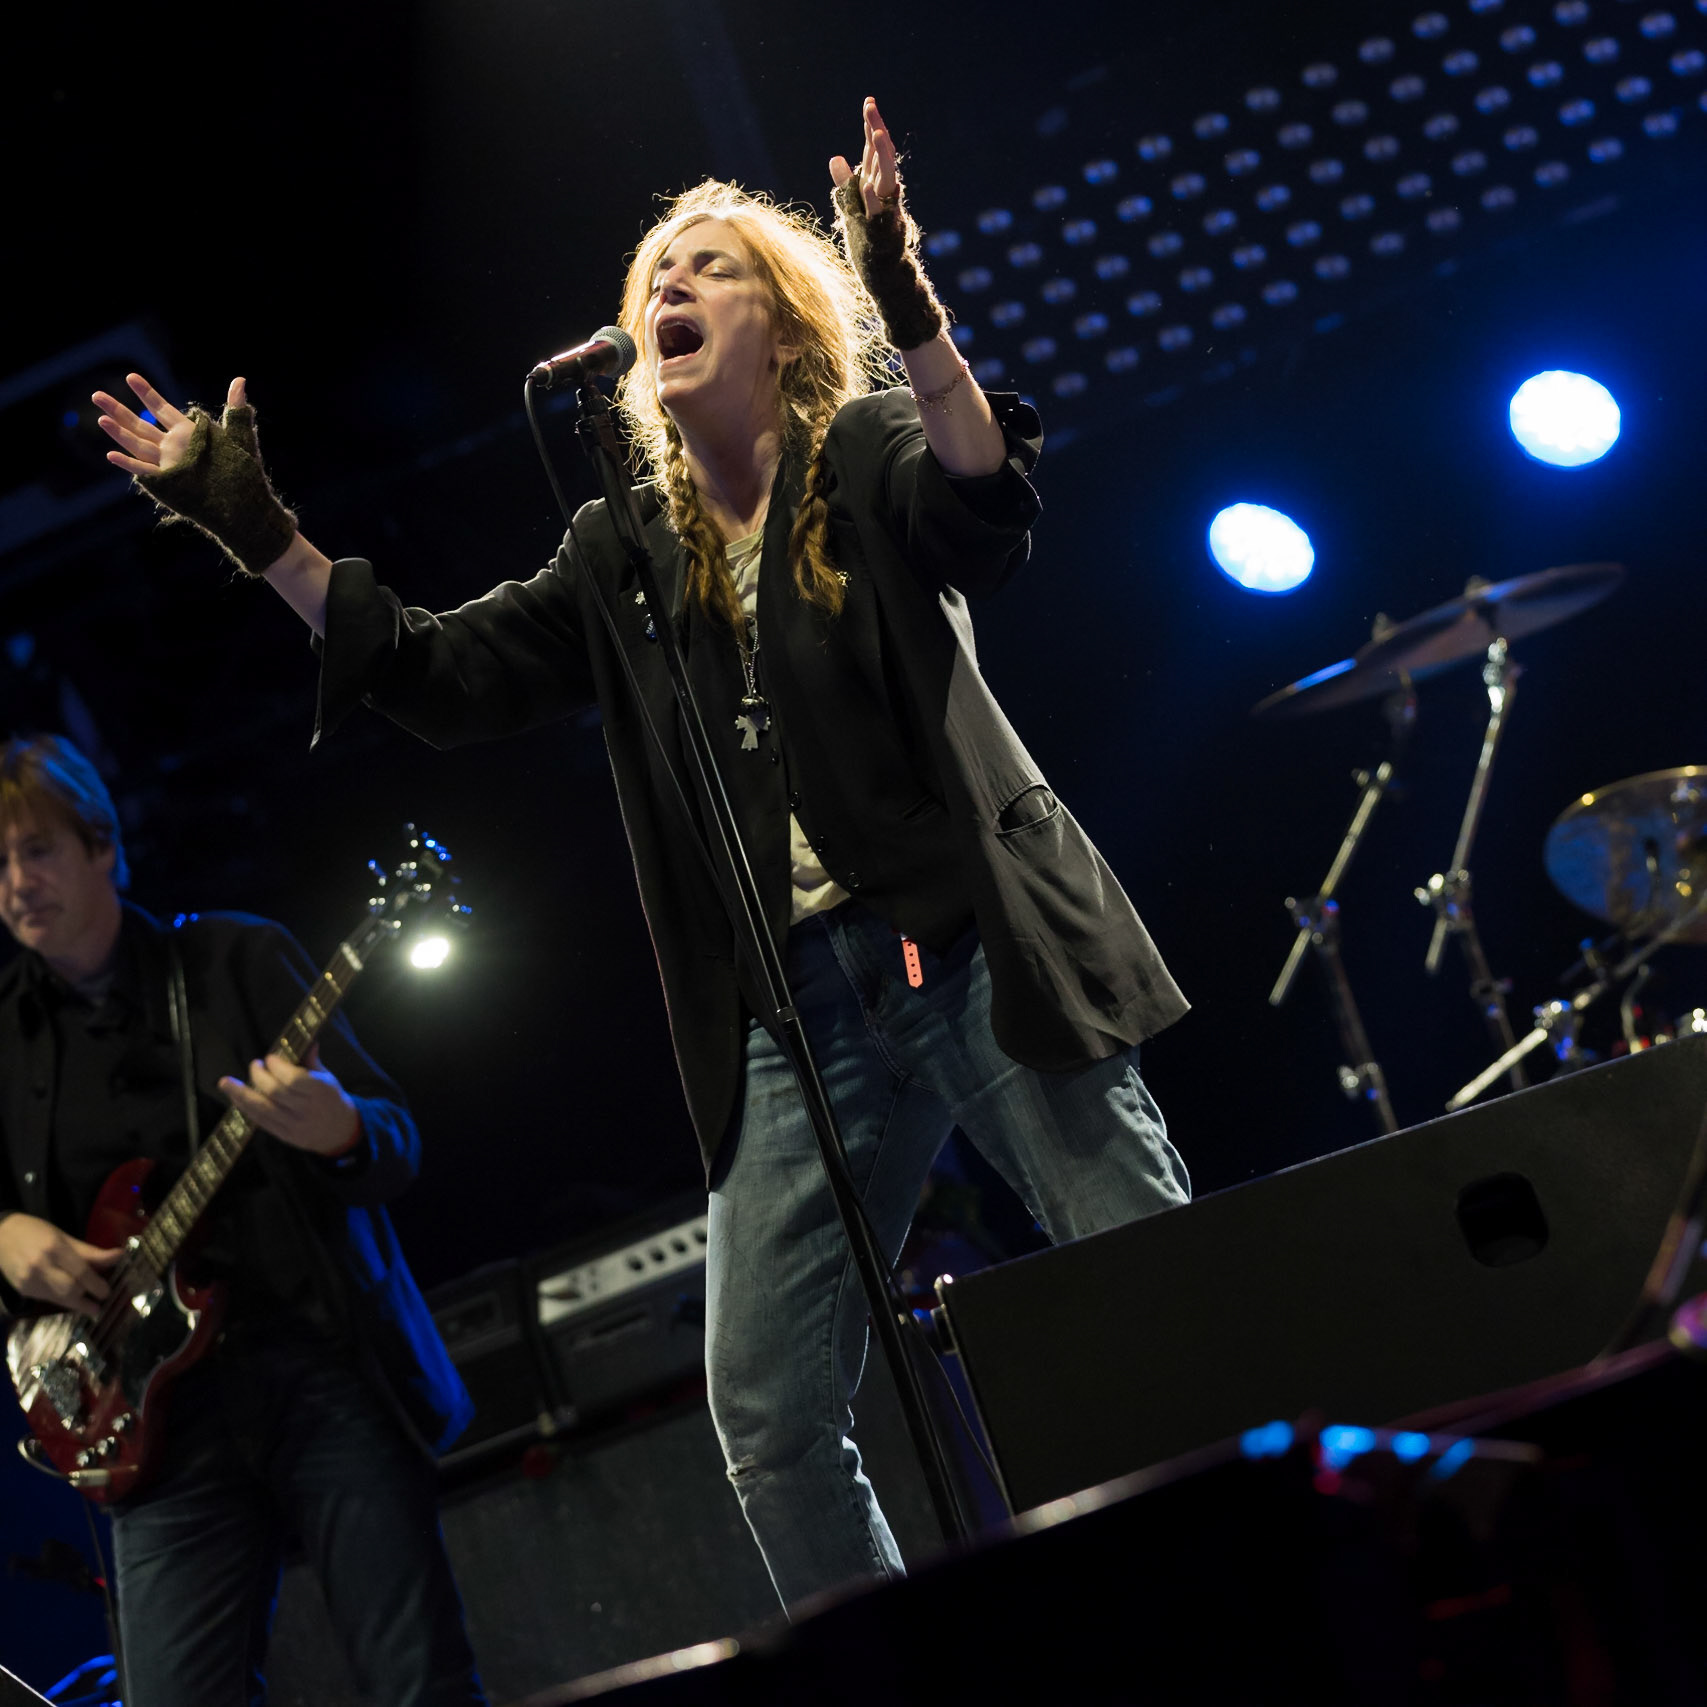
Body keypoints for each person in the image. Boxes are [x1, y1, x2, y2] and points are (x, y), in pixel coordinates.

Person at [92, 97, 1193, 1611]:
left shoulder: (859, 449)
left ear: (788, 322)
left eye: (708, 266)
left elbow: (979, 490)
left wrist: (911, 302)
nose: (668, 285)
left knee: (1150, 1275)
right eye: (652, 274)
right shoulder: (622, 556)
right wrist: (261, 534)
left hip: (968, 947)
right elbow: (435, 673)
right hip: (797, 1014)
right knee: (768, 1417)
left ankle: (1275, 1570)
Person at [0, 735, 486, 1707]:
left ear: (104, 848)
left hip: (316, 1376)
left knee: (418, 1684)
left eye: (37, 850)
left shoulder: (234, 958)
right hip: (153, 1429)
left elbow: (394, 1137)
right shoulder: (3, 1035)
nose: (16, 883)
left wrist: (341, 1129)